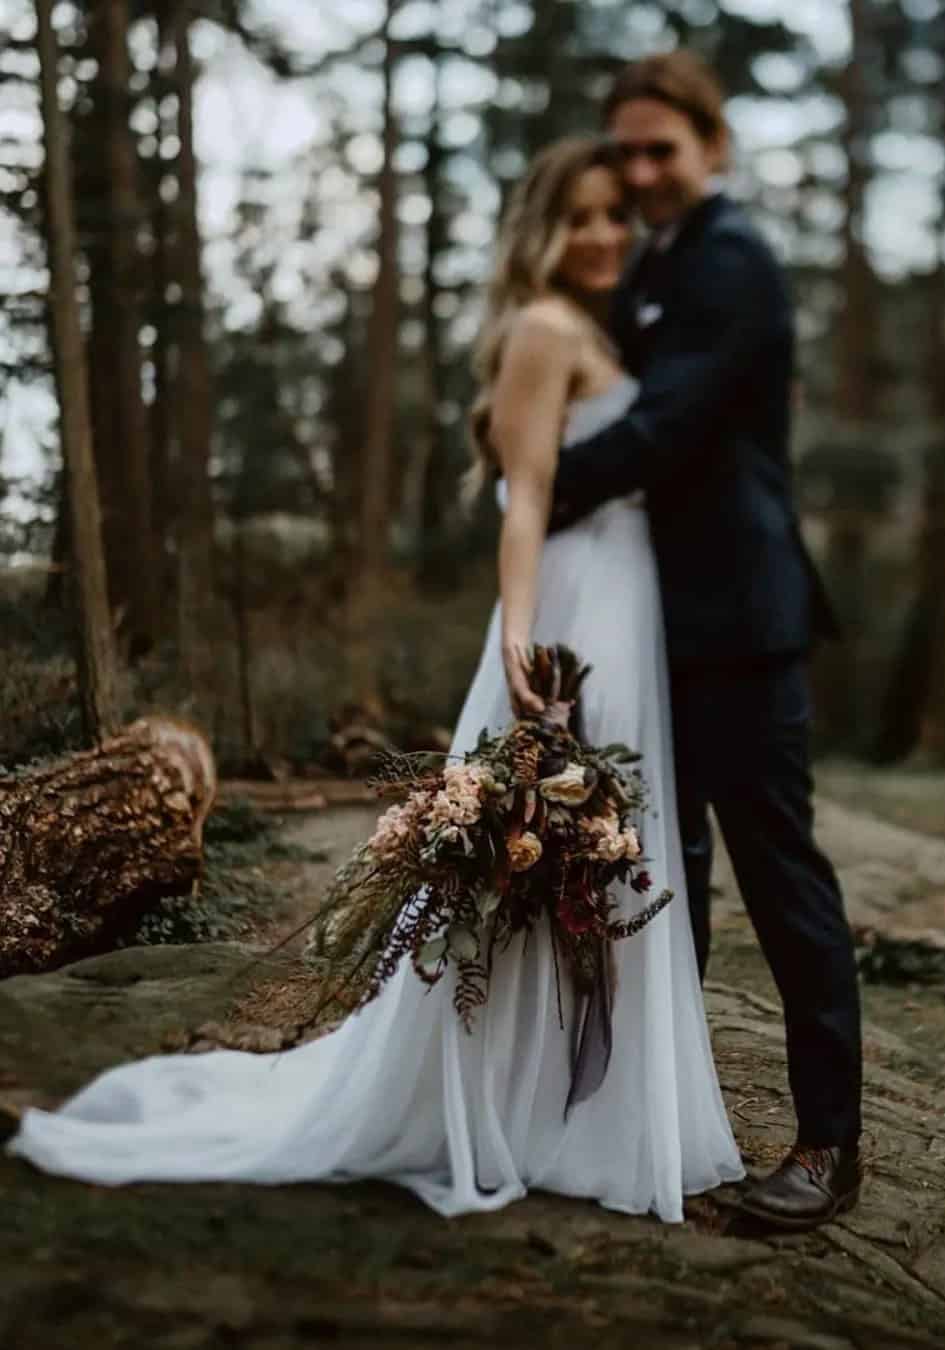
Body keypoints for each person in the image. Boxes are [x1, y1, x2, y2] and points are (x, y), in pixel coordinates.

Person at [6, 136, 744, 1224]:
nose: (600, 235)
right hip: (574, 613)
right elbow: (527, 498)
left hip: (633, 612)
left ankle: (584, 1111)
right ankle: (506, 1105)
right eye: (577, 216)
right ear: (540, 230)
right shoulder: (543, 332)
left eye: (613, 217)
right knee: (540, 855)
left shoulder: (605, 328)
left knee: (605, 856)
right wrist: (519, 644)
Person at [537, 51, 864, 1231]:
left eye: (660, 149)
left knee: (784, 881)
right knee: (665, 881)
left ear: (711, 150)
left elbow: (668, 428)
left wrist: (530, 486)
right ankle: (660, 1115)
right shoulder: (650, 263)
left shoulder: (732, 264)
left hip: (743, 623)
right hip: (653, 625)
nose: (640, 170)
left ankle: (830, 1145)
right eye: (624, 149)